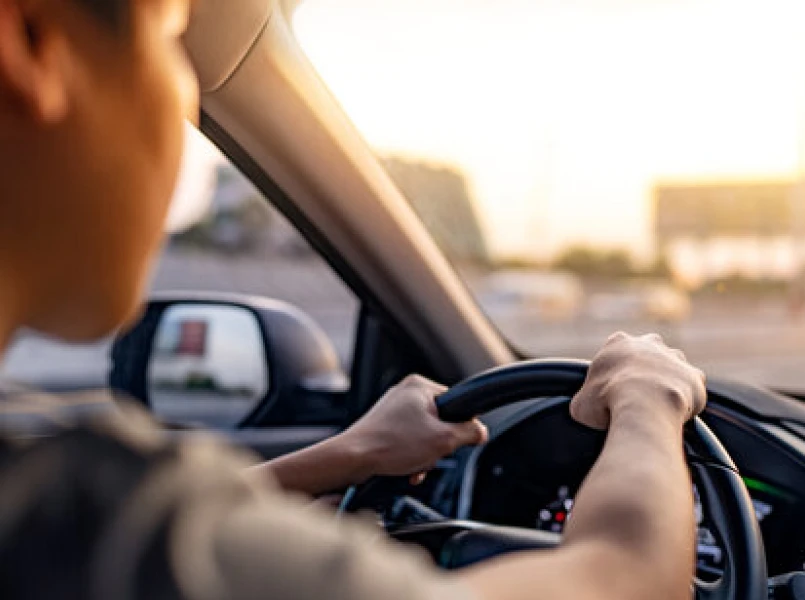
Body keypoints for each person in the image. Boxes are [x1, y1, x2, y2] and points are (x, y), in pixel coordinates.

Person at [0, 0, 708, 599]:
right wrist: (650, 398)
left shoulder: (56, 506)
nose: (184, 96)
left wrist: (352, 452)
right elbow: (620, 579)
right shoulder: (87, 528)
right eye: (170, 37)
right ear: (27, 41)